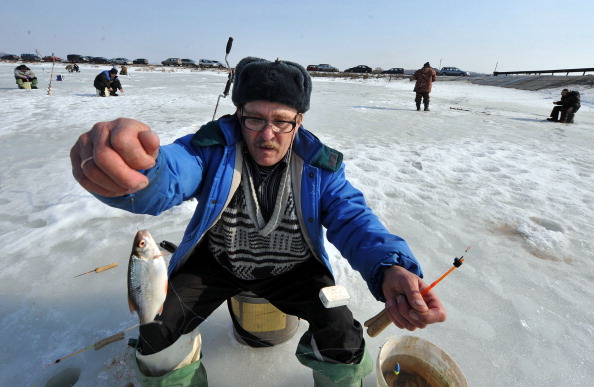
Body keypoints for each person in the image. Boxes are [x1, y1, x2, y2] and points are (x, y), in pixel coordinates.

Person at [71, 57, 446, 386]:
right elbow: (171, 173)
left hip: (294, 269)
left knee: (344, 337)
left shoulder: (319, 166)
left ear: (299, 122)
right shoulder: (212, 149)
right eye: (255, 119)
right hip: (217, 264)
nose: (267, 135)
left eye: (282, 121)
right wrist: (135, 171)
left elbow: (353, 219)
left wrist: (389, 268)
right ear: (239, 115)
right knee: (155, 335)